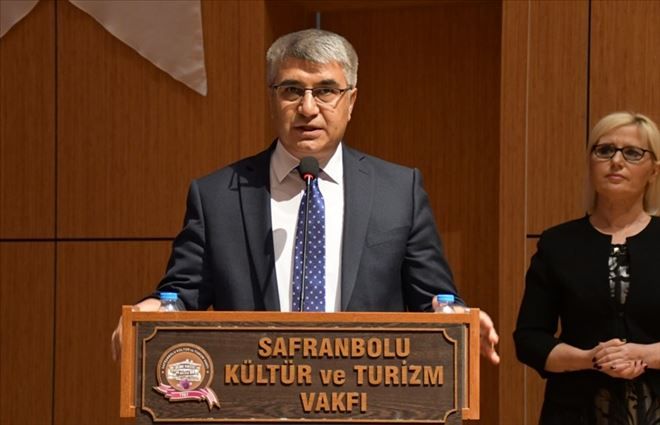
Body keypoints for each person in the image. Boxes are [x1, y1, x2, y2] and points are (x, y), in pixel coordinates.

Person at [111, 28, 499, 365]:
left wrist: (457, 317)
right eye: (292, 90)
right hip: (254, 395)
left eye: (326, 90)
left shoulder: (399, 191)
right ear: (272, 98)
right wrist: (152, 311)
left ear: (351, 101)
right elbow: (181, 293)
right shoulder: (217, 196)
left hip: (367, 397)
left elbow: (433, 297)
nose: (308, 108)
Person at [514, 111, 660, 424]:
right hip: (575, 411)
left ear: (653, 170)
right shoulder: (558, 243)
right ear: (591, 163)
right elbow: (529, 339)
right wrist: (590, 359)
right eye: (604, 150)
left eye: (632, 153)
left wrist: (645, 355)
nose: (616, 161)